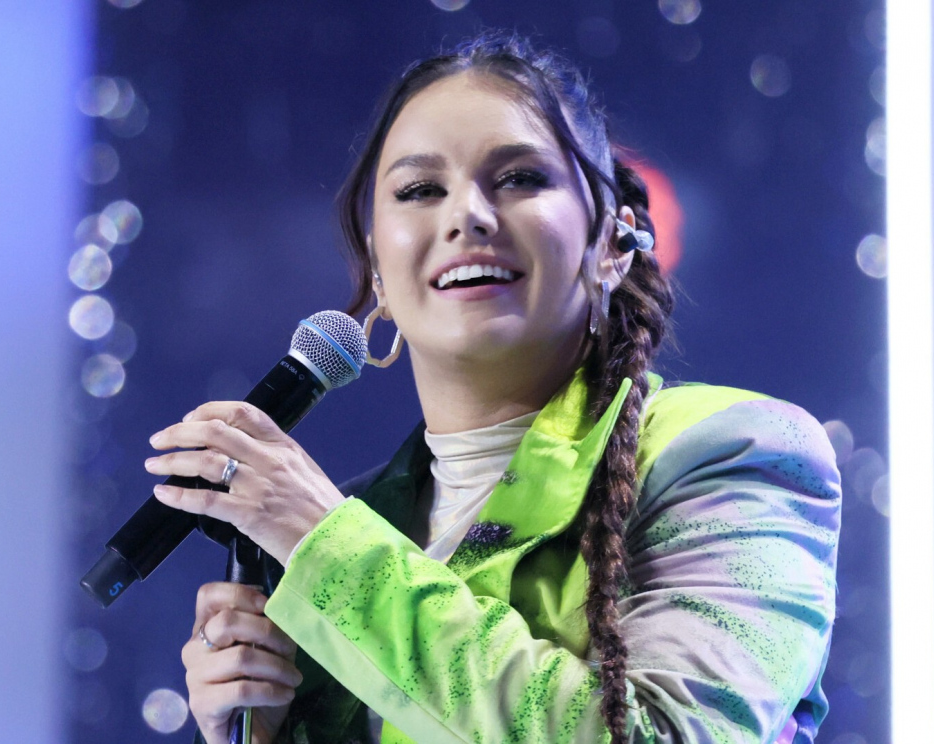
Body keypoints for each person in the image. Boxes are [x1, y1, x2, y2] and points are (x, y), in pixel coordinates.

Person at [145, 33, 841, 744]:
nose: (467, 215)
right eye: (420, 191)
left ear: (611, 245)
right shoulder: (358, 521)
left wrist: (325, 548)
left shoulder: (732, 452)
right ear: (378, 269)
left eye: (519, 178)